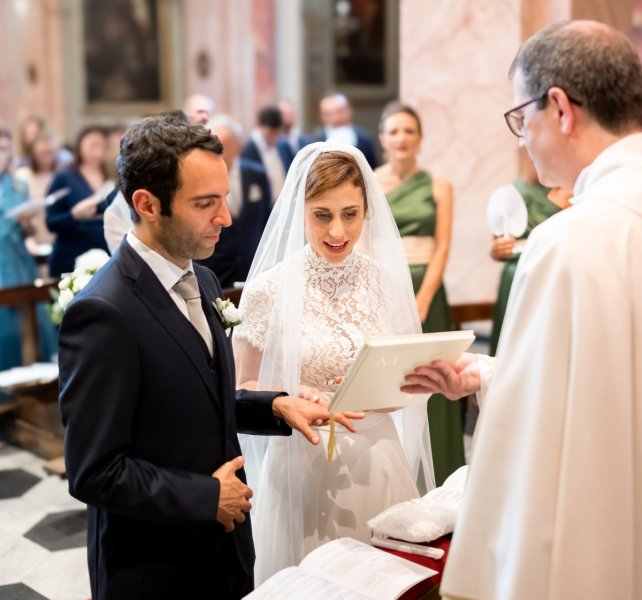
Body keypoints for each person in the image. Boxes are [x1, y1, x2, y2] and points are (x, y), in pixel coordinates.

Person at [58, 113, 358, 600]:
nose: (226, 217)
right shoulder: (103, 311)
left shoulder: (203, 279)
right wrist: (205, 497)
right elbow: (95, 470)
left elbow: (195, 395)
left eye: (224, 197)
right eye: (205, 203)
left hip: (224, 553)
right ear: (147, 204)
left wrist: (274, 405)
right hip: (155, 568)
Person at [402, 20, 642, 600]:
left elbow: (537, 436)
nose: (520, 139)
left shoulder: (568, 242)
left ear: (559, 108)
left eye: (520, 118)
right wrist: (487, 374)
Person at [233, 142, 434, 583]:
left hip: (376, 456)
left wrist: (388, 388)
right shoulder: (268, 289)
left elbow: (407, 382)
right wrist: (288, 394)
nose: (338, 230)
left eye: (351, 213)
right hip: (301, 462)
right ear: (299, 212)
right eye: (322, 215)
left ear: (367, 211)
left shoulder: (384, 283)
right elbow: (243, 385)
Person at [376, 102, 464, 486]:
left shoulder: (439, 185)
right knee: (394, 376)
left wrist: (425, 296)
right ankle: (398, 473)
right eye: (394, 131)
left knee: (433, 375)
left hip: (428, 288)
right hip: (385, 285)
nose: (401, 138)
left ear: (420, 138)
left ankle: (442, 472)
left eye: (409, 131)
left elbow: (443, 245)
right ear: (382, 139)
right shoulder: (371, 183)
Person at [488, 152, 568, 355]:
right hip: (517, 273)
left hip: (556, 272)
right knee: (516, 345)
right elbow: (496, 246)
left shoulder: (575, 189)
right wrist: (498, 250)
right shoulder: (515, 192)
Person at [0, 124, 56, 370]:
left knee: (28, 331)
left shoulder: (18, 187)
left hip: (18, 263)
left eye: (3, 149)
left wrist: (27, 223)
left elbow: (28, 233)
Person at [197, 114, 272, 287]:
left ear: (238, 147)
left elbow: (267, 217)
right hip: (214, 267)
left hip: (253, 267)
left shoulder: (256, 174)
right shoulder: (201, 178)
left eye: (223, 145)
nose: (217, 150)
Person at [45, 125, 111, 276]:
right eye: (92, 145)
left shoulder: (112, 175)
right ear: (80, 146)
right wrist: (74, 215)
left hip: (104, 252)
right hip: (70, 253)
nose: (97, 151)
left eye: (101, 146)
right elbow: (51, 221)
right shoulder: (65, 177)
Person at [15, 131, 60, 257]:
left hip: (57, 238)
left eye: (50, 152)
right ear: (33, 152)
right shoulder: (23, 175)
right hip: (32, 239)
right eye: (43, 152)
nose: (47, 156)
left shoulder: (62, 174)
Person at [306, 93, 379, 168]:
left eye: (340, 111)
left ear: (349, 110)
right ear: (322, 116)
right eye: (329, 114)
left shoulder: (364, 138)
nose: (336, 118)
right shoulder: (315, 141)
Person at [241, 105, 292, 201]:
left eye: (277, 133)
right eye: (271, 133)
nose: (274, 138)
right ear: (260, 126)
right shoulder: (248, 149)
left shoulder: (284, 145)